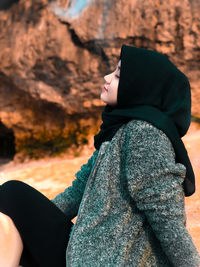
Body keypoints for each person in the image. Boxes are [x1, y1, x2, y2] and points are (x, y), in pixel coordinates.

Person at [0, 44, 200, 267]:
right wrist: (32, 223)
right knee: (10, 209)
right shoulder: (118, 132)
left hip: (112, 262)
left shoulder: (145, 135)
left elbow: (167, 219)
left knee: (12, 193)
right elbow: (77, 192)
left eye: (117, 75)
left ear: (138, 86)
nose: (106, 78)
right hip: (84, 254)